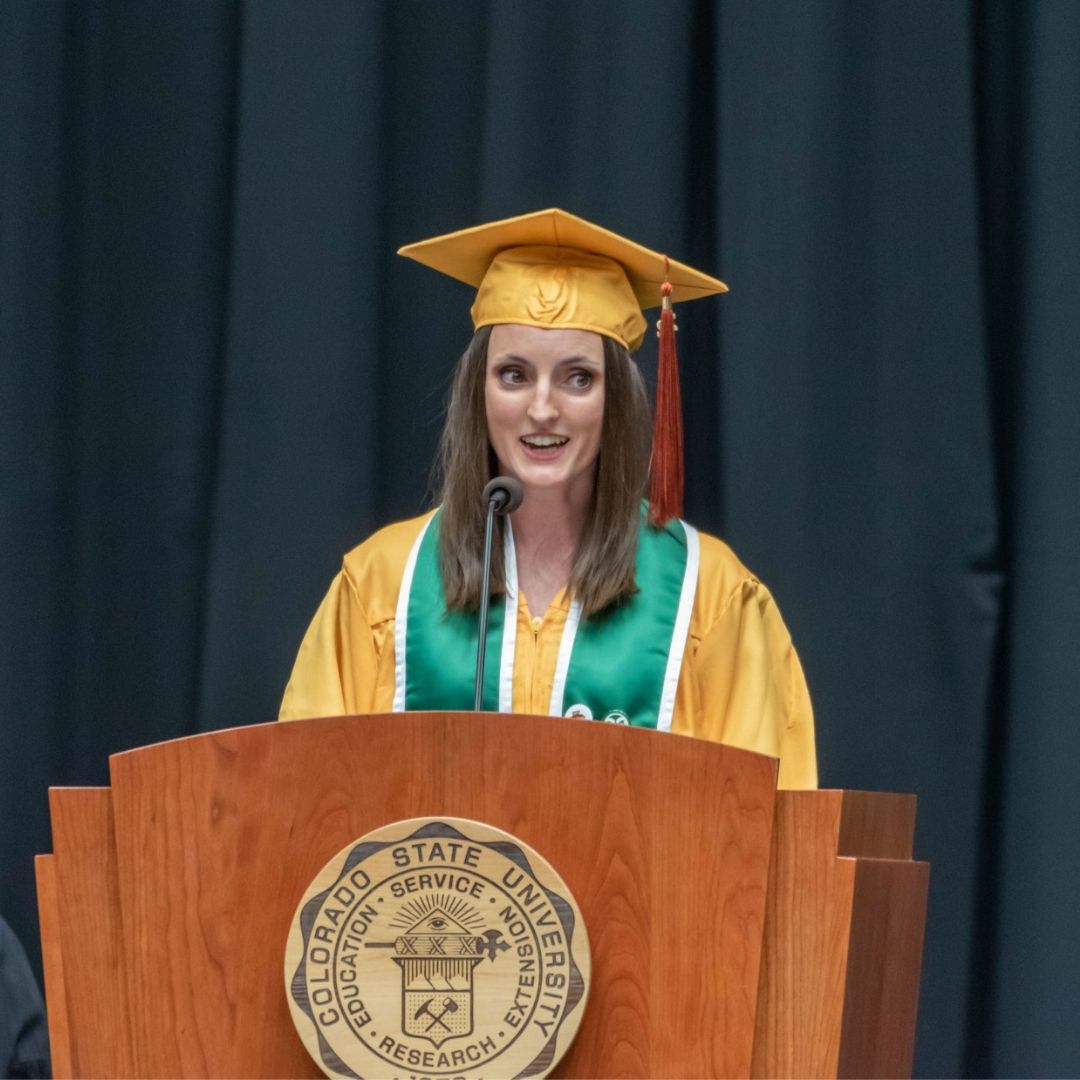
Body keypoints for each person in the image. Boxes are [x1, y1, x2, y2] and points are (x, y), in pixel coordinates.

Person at [280, 208, 816, 789]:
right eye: (513, 374)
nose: (541, 408)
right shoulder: (382, 584)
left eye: (577, 377)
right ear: (476, 392)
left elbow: (763, 831)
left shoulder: (709, 596)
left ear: (618, 398)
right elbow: (309, 803)